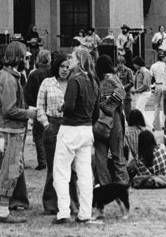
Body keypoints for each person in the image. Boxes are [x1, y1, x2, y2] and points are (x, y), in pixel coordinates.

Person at [52, 47, 99, 224]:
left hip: (70, 128)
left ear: (78, 61)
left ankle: (63, 212)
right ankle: (85, 213)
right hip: (87, 129)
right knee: (85, 173)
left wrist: (62, 107)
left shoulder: (74, 80)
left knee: (61, 172)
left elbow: (70, 105)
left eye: (72, 57)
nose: (69, 59)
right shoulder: (94, 81)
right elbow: (96, 112)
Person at [0, 41, 36, 224]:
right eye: (26, 55)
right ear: (18, 57)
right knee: (10, 170)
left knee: (13, 168)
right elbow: (9, 109)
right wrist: (29, 113)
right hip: (10, 130)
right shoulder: (9, 79)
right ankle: (3, 212)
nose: (29, 58)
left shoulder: (7, 76)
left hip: (10, 129)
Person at [36, 54, 78, 215]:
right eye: (62, 67)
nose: (65, 70)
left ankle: (73, 203)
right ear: (56, 67)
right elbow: (40, 106)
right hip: (52, 126)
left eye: (68, 67)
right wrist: (46, 124)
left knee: (71, 167)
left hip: (69, 125)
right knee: (54, 167)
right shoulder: (47, 83)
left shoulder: (73, 84)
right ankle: (51, 203)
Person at [94, 55, 128, 186]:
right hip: (113, 119)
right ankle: (122, 184)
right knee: (117, 154)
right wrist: (108, 105)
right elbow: (122, 92)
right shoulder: (112, 77)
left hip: (97, 120)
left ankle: (104, 185)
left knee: (100, 156)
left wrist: (100, 105)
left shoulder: (95, 79)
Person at [124, 109, 166, 177]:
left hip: (137, 159)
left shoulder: (125, 132)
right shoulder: (147, 130)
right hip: (151, 156)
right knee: (162, 138)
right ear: (142, 118)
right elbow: (154, 143)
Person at [24, 50, 51, 171]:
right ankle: (49, 159)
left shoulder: (34, 74)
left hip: (39, 107)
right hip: (52, 107)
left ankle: (42, 161)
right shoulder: (53, 72)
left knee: (38, 135)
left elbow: (27, 93)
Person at [131, 56, 152, 123]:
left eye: (134, 64)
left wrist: (136, 90)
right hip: (140, 93)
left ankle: (148, 125)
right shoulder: (138, 71)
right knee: (141, 110)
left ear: (138, 63)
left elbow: (145, 85)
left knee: (138, 110)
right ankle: (148, 125)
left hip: (144, 93)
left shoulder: (145, 71)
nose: (133, 65)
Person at [149, 50, 166, 131]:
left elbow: (151, 78)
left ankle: (156, 124)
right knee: (164, 106)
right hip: (165, 85)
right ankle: (164, 124)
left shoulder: (153, 66)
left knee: (156, 106)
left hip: (157, 85)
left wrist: (152, 88)